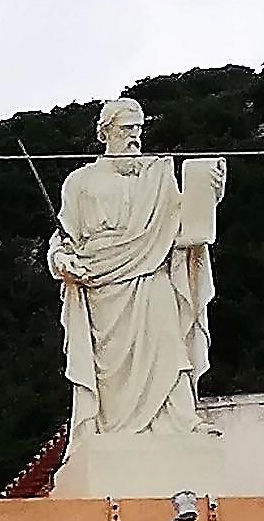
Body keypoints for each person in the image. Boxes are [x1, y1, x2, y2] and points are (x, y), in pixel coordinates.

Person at [48, 96, 221, 447]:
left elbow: (184, 226)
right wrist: (60, 260)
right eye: (127, 128)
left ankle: (181, 419)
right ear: (105, 133)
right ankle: (110, 428)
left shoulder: (156, 179)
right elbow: (64, 237)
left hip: (151, 271)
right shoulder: (79, 182)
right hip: (102, 280)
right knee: (108, 369)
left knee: (169, 341)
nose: (134, 136)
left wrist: (209, 192)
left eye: (139, 129)